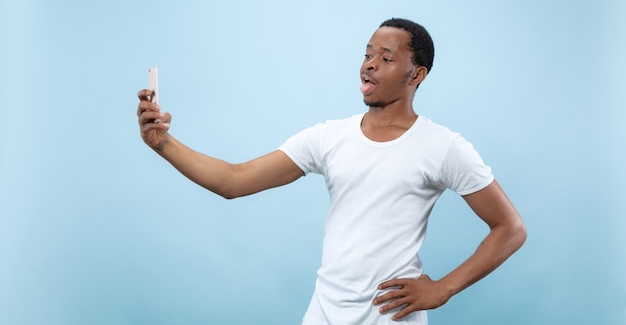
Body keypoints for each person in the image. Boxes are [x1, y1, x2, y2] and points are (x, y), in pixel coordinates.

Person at [137, 18, 526, 324]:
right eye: (368, 54)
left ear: (417, 75)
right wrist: (164, 144)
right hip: (323, 315)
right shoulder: (328, 137)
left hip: (391, 319)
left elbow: (510, 229)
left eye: (386, 58)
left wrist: (443, 289)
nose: (370, 65)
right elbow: (234, 181)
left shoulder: (442, 146)